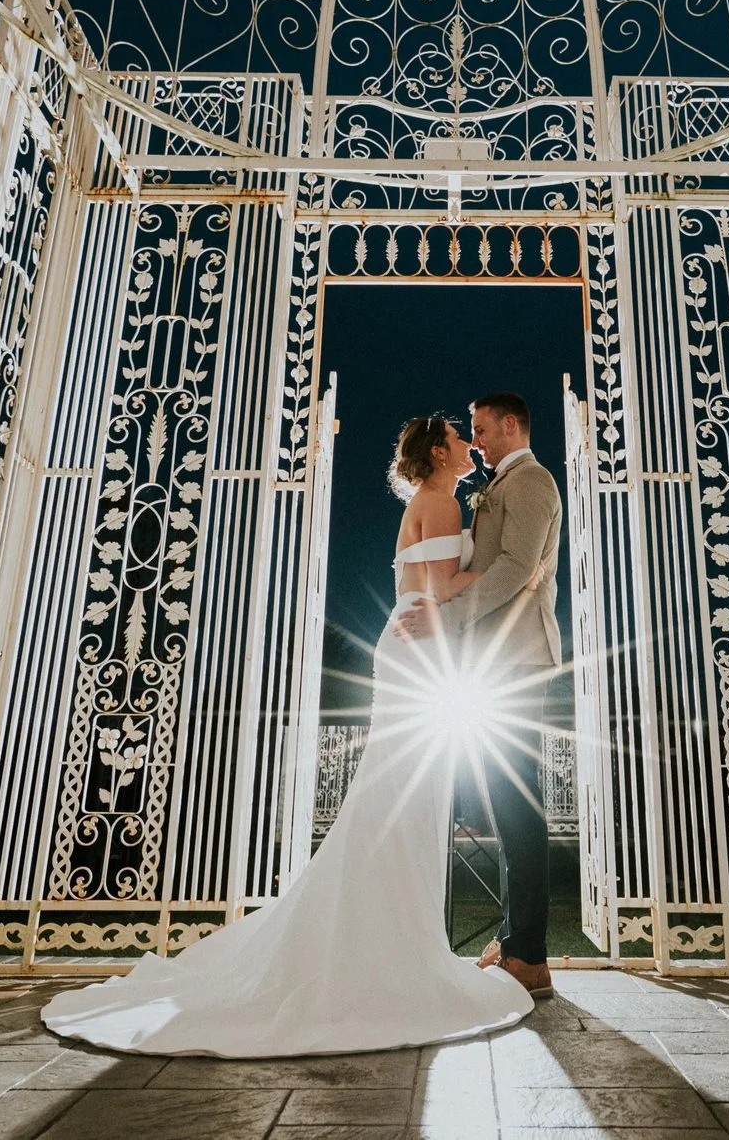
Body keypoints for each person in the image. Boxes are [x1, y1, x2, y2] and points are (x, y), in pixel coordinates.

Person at [41, 416, 533, 1056]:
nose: (472, 445)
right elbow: (440, 588)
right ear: (441, 451)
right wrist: (516, 573)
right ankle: (388, 953)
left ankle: (387, 943)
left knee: (399, 803)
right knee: (401, 803)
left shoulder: (429, 501)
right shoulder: (438, 501)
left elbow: (425, 587)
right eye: (461, 438)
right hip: (422, 651)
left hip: (415, 647)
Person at [392, 391, 562, 999]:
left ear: (510, 424)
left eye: (483, 429)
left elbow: (516, 569)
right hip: (492, 661)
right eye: (471, 432)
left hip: (517, 658)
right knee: (506, 804)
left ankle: (531, 956)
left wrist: (449, 620)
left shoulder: (533, 481)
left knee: (520, 805)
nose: (478, 440)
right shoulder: (493, 487)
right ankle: (519, 939)